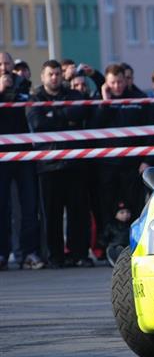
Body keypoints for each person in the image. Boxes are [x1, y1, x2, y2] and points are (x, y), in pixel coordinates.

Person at [26, 60, 92, 268]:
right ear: (43, 77)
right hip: (48, 165)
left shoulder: (73, 95)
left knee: (78, 213)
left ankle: (78, 254)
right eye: (50, 74)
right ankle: (54, 256)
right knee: (51, 215)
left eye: (57, 74)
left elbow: (80, 113)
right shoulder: (35, 98)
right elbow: (38, 124)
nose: (54, 78)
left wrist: (55, 115)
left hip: (74, 165)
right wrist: (64, 117)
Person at [90, 64, 151, 238]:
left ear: (126, 81)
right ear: (106, 84)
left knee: (134, 205)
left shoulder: (138, 99)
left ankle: (132, 240)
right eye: (113, 83)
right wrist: (105, 102)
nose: (117, 86)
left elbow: (150, 130)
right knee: (106, 205)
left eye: (120, 82)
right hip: (107, 164)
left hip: (132, 164)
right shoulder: (99, 100)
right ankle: (108, 241)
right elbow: (93, 127)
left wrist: (147, 159)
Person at [0, 64, 43, 270]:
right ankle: (2, 253)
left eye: (7, 63)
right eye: (0, 64)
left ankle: (29, 253)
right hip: (1, 155)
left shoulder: (23, 87)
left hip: (24, 154)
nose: (4, 67)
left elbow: (31, 110)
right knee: (2, 207)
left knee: (28, 206)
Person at [101, 201, 132, 267]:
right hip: (114, 245)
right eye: (122, 212)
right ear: (116, 214)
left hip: (126, 246)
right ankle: (114, 260)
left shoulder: (132, 225)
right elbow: (104, 238)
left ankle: (122, 261)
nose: (125, 214)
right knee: (115, 249)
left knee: (121, 249)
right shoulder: (111, 225)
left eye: (127, 212)